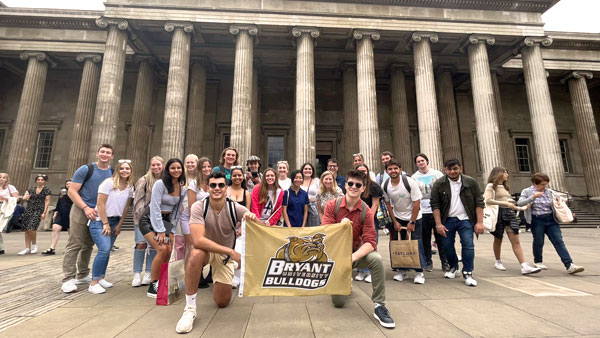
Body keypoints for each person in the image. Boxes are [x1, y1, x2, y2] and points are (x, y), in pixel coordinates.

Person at [175, 172, 258, 334]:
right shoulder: (199, 206)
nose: (217, 188)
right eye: (213, 185)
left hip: (224, 257)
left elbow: (261, 229)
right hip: (208, 250)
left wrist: (252, 218)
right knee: (196, 253)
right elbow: (198, 240)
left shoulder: (235, 207)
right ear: (207, 188)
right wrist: (231, 252)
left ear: (226, 188)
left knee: (222, 302)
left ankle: (217, 280)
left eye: (221, 185)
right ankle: (190, 308)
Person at [322, 170, 395, 329]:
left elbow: (370, 242)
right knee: (338, 302)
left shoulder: (366, 211)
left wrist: (352, 258)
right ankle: (346, 280)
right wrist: (340, 228)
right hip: (336, 255)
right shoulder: (331, 206)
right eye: (350, 184)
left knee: (376, 259)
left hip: (355, 253)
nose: (353, 187)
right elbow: (326, 235)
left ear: (363, 188)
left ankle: (379, 306)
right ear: (345, 185)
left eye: (358, 185)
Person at [62, 144, 115, 293]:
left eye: (108, 153)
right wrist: (85, 208)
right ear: (97, 153)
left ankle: (83, 273)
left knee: (88, 245)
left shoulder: (112, 172)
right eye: (102, 152)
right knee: (74, 243)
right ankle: (68, 279)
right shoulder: (86, 169)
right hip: (81, 209)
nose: (104, 154)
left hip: (98, 212)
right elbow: (72, 191)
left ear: (112, 156)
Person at [431, 159, 484, 287]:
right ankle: (453, 266)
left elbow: (479, 202)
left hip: (465, 219)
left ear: (461, 168)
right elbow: (435, 205)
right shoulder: (439, 184)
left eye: (455, 168)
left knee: (468, 244)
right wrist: (438, 224)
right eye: (449, 169)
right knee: (446, 245)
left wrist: (480, 222)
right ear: (445, 170)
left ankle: (468, 271)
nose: (452, 171)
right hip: (447, 219)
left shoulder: (470, 182)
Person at [517, 173, 584, 274]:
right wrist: (533, 197)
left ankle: (569, 265)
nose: (544, 186)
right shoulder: (527, 191)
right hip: (536, 220)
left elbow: (561, 199)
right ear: (535, 183)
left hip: (551, 219)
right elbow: (520, 203)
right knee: (539, 241)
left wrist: (563, 201)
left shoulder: (549, 192)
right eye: (542, 184)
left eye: (546, 184)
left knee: (559, 241)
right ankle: (538, 261)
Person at [139, 158, 186, 298]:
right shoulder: (160, 184)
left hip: (166, 221)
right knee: (161, 249)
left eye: (179, 168)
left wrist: (170, 231)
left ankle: (163, 280)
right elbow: (154, 207)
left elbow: (177, 212)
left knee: (169, 249)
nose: (176, 170)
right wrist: (160, 230)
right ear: (168, 170)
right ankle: (153, 284)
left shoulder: (182, 188)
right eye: (173, 168)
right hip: (149, 219)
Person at [88, 160, 134, 294]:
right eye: (122, 168)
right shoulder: (108, 183)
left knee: (107, 251)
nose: (125, 171)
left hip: (115, 221)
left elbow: (126, 207)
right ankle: (94, 282)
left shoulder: (130, 187)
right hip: (100, 221)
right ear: (118, 170)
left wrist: (120, 224)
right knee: (104, 249)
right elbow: (100, 204)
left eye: (128, 169)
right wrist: (105, 223)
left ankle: (101, 277)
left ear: (131, 171)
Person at [484, 167, 540, 275]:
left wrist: (520, 209)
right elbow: (488, 200)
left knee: (515, 240)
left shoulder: (505, 187)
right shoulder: (491, 186)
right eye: (505, 172)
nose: (507, 174)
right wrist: (506, 204)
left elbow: (511, 204)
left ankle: (523, 265)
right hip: (498, 214)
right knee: (498, 238)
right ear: (498, 174)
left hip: (509, 213)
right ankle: (498, 261)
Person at [381, 160, 426, 284]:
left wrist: (412, 221)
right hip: (398, 216)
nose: (393, 171)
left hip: (414, 216)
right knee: (399, 243)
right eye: (390, 169)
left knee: (416, 243)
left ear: (400, 169)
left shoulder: (409, 182)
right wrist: (394, 221)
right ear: (386, 171)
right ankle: (402, 270)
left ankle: (419, 272)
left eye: (395, 168)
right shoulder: (385, 185)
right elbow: (387, 204)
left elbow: (417, 203)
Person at [411, 153, 448, 272]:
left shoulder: (437, 174)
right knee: (425, 238)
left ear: (427, 161)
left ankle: (445, 262)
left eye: (422, 161)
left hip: (437, 210)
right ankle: (428, 261)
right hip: (422, 212)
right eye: (418, 161)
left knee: (441, 238)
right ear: (416, 164)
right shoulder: (413, 177)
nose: (421, 163)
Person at [132, 156, 164, 287]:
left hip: (158, 219)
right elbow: (138, 201)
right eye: (153, 165)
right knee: (141, 244)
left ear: (163, 165)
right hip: (143, 219)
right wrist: (143, 216)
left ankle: (149, 272)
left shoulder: (165, 181)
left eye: (158, 165)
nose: (156, 167)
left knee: (154, 246)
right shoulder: (144, 180)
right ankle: (136, 273)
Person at [354, 163, 383, 284]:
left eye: (364, 171)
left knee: (371, 243)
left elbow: (375, 204)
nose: (362, 173)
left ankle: (371, 271)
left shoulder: (374, 186)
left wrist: (367, 218)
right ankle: (361, 270)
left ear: (367, 172)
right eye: (359, 171)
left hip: (370, 219)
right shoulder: (355, 185)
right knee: (359, 244)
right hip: (357, 219)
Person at [227, 165, 251, 289]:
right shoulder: (225, 190)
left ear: (243, 177)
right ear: (231, 177)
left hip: (241, 227)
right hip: (227, 226)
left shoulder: (247, 193)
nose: (237, 177)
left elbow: (247, 212)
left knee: (239, 251)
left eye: (239, 175)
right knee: (227, 252)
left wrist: (242, 227)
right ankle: (226, 276)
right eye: (234, 175)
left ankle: (236, 278)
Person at [17, 174, 51, 255]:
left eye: (42, 180)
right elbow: (25, 197)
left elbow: (47, 201)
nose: (40, 181)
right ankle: (27, 248)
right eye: (38, 179)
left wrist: (44, 212)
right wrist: (26, 197)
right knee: (27, 229)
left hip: (39, 210)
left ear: (44, 181)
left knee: (32, 227)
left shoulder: (46, 190)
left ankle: (34, 245)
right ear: (36, 180)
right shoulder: (31, 189)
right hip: (29, 209)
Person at [42, 179, 73, 255]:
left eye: (70, 184)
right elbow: (59, 203)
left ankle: (70, 248)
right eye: (67, 184)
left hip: (71, 213)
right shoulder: (63, 193)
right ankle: (52, 248)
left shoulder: (77, 192)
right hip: (61, 213)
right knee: (55, 228)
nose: (68, 185)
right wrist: (56, 212)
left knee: (71, 232)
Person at [180, 154, 200, 250]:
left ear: (197, 163)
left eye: (192, 162)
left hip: (195, 213)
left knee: (192, 244)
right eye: (188, 162)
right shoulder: (180, 178)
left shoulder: (200, 179)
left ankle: (191, 265)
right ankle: (167, 266)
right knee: (177, 245)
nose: (190, 164)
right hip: (180, 213)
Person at [0, 172, 19, 255]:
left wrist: (6, 198)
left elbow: (17, 198)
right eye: (0, 177)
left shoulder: (10, 187)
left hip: (5, 208)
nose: (1, 179)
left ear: (7, 179)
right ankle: (1, 248)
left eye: (4, 177)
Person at [300, 162, 320, 226]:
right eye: (305, 169)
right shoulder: (298, 180)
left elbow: (321, 194)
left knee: (313, 228)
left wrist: (315, 199)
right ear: (302, 170)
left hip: (314, 209)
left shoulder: (317, 181)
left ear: (312, 171)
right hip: (301, 208)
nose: (307, 170)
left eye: (309, 169)